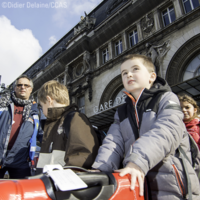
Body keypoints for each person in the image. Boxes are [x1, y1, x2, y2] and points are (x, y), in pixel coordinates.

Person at [92, 54, 200, 199]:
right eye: (124, 73)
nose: (128, 74)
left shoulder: (167, 98)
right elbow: (112, 143)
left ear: (152, 76)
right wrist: (99, 170)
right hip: (138, 187)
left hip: (173, 187)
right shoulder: (122, 111)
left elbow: (166, 131)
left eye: (135, 69)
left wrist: (136, 162)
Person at [36, 80, 99, 173]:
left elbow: (83, 155)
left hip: (62, 182)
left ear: (49, 100)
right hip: (50, 182)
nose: (41, 110)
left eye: (41, 106)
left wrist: (64, 174)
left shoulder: (74, 118)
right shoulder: (53, 124)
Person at [0, 75, 43, 179]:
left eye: (26, 85)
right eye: (19, 85)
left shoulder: (36, 111)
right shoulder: (3, 104)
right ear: (15, 88)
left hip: (20, 160)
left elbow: (41, 134)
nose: (22, 87)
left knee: (22, 190)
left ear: (31, 90)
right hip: (0, 154)